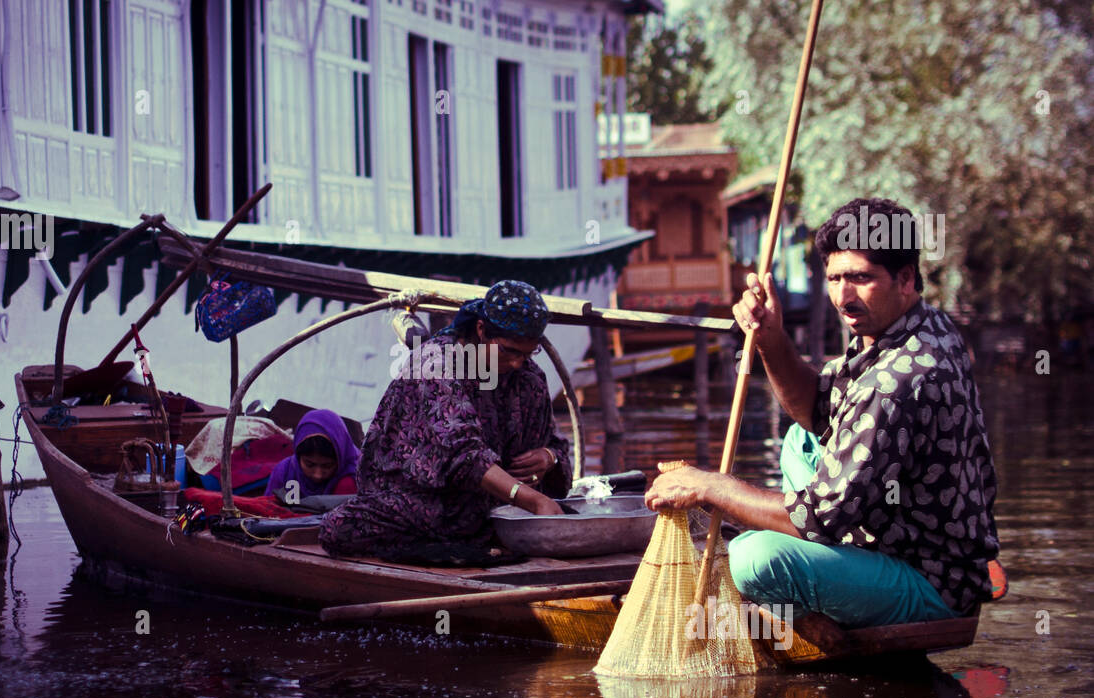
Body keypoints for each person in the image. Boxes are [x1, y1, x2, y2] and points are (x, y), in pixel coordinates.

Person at [645, 198, 1000, 628]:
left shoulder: (897, 381)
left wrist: (712, 487)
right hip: (891, 534)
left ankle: (811, 596)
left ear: (906, 279)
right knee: (803, 438)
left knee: (753, 558)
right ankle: (826, 565)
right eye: (834, 279)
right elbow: (816, 408)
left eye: (860, 279)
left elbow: (817, 516)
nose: (843, 297)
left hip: (930, 580)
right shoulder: (919, 324)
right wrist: (772, 338)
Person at [319, 280, 570, 565]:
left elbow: (556, 444)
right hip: (422, 503)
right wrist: (532, 501)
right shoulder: (434, 365)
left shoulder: (529, 377)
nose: (517, 363)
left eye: (527, 354)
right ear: (481, 331)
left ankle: (472, 544)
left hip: (494, 511)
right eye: (509, 351)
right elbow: (465, 455)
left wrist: (549, 457)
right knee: (338, 528)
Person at [265, 409, 360, 499]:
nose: (317, 475)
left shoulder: (354, 480)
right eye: (309, 464)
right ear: (298, 456)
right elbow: (267, 508)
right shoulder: (285, 473)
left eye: (327, 466)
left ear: (341, 457)